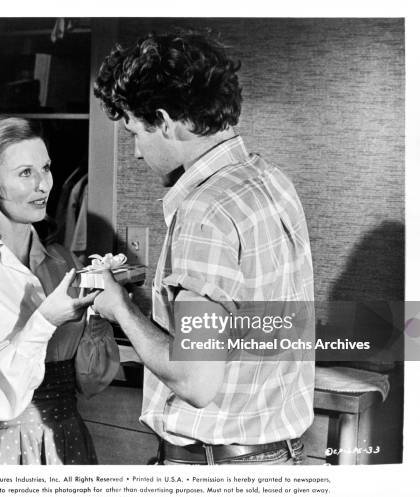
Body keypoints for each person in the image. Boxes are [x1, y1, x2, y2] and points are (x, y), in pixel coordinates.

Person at [92, 30, 315, 465]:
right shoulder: (271, 182)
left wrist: (118, 305)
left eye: (134, 132)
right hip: (277, 458)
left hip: (217, 468)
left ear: (166, 120)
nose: (135, 153)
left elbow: (196, 380)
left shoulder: (204, 211)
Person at [0, 116, 119, 465]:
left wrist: (100, 306)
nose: (44, 185)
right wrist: (45, 320)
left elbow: (91, 383)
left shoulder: (61, 263)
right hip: (3, 448)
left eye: (45, 168)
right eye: (25, 173)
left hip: (67, 438)